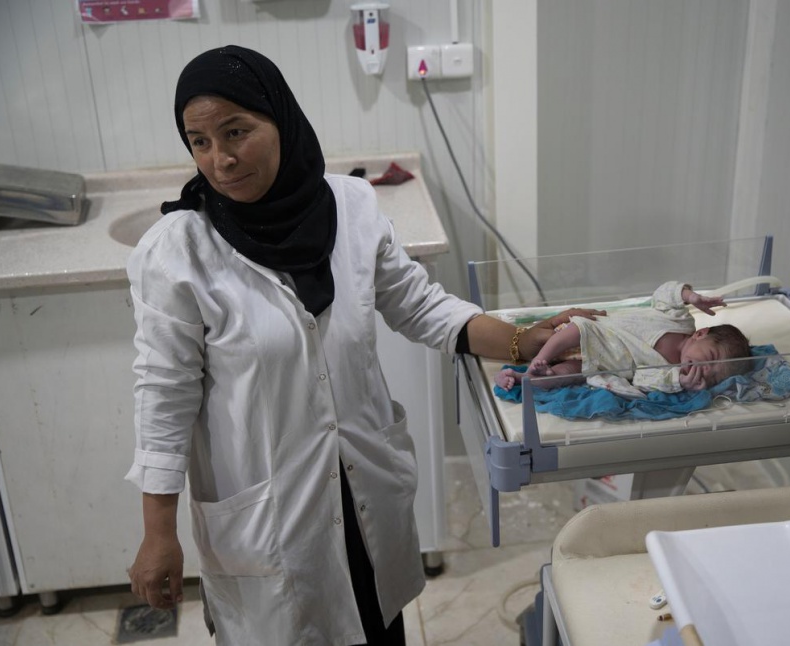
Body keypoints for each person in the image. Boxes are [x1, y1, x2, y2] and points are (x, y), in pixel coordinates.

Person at [123, 45, 602, 646]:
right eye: (198, 141)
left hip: (363, 488)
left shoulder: (350, 208)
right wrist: (157, 531)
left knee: (377, 623)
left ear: (282, 120)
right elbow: (163, 396)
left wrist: (520, 339)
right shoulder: (177, 252)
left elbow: (420, 305)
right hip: (272, 510)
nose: (219, 159)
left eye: (236, 131)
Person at [494, 281, 752, 395]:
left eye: (712, 377)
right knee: (578, 328)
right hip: (596, 333)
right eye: (709, 359)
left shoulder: (669, 371)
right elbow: (663, 294)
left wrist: (678, 381)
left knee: (570, 376)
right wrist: (689, 295)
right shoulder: (681, 321)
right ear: (701, 334)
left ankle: (523, 379)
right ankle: (539, 359)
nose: (703, 372)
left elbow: (641, 378)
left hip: (598, 362)